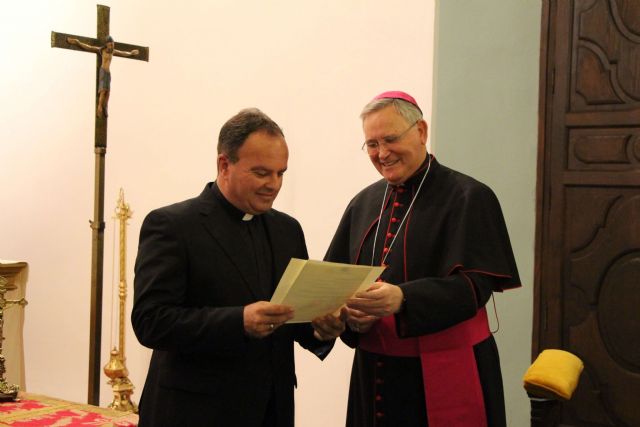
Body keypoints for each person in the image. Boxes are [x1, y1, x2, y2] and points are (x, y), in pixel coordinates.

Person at [132, 108, 344, 427]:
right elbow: (151, 321)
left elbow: (291, 315)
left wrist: (320, 326)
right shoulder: (172, 226)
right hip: (193, 412)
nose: (274, 184)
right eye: (261, 173)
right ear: (224, 165)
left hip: (272, 411)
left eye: (281, 173)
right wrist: (238, 321)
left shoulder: (288, 230)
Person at [325, 91, 521, 427]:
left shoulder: (469, 197)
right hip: (372, 375)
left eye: (390, 139)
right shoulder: (363, 203)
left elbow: (476, 288)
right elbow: (334, 280)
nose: (382, 153)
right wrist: (345, 315)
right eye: (371, 144)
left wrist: (403, 298)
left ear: (421, 131)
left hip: (445, 368)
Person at [67, 36, 139, 117]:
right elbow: (89, 47)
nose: (112, 46)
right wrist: (78, 42)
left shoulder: (113, 52)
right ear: (107, 44)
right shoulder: (102, 50)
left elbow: (123, 53)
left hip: (108, 73)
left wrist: (131, 53)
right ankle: (99, 107)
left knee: (108, 92)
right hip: (103, 71)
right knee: (103, 91)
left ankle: (105, 106)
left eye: (113, 44)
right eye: (110, 45)